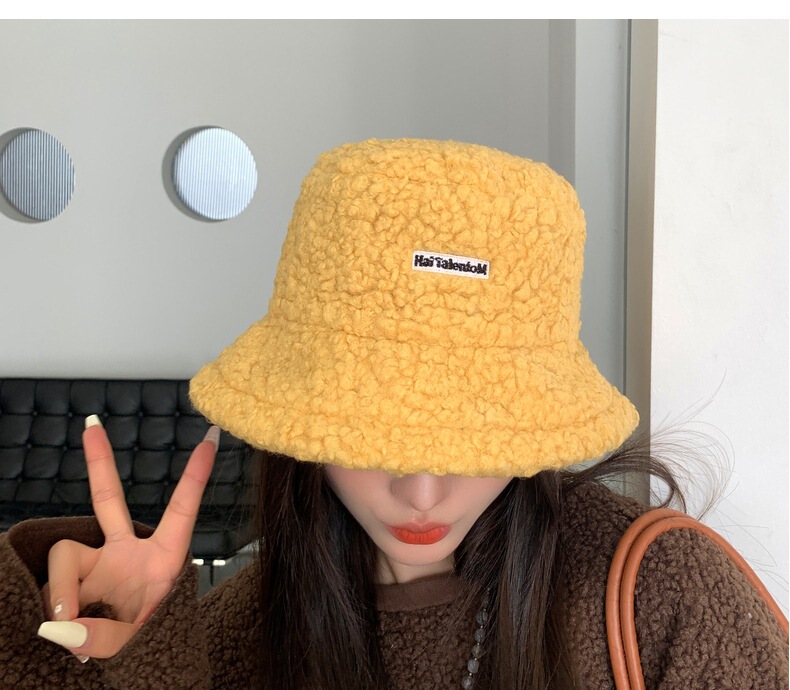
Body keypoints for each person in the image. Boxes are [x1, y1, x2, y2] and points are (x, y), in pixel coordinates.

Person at [0, 139, 786, 689]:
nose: (421, 491)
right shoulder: (237, 635)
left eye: (474, 434)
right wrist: (136, 666)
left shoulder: (661, 597)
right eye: (371, 430)